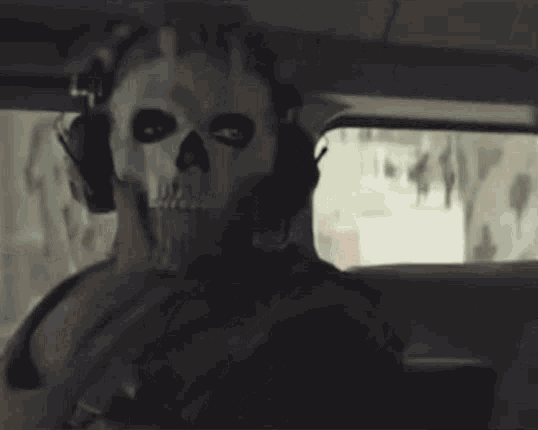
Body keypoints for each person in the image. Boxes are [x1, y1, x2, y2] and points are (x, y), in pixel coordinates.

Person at [0, 11, 497, 429]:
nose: (188, 160)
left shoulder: (322, 321)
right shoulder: (71, 296)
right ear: (100, 151)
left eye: (229, 131)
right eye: (154, 126)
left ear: (280, 164)